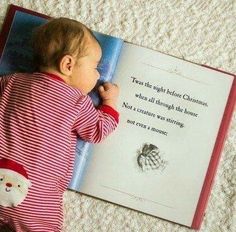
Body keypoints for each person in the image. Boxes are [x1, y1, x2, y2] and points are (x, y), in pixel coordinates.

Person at [0, 18, 119, 231]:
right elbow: (98, 131)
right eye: (95, 67)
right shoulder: (77, 101)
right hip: (35, 205)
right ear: (68, 65)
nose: (99, 75)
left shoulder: (12, 81)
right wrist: (110, 103)